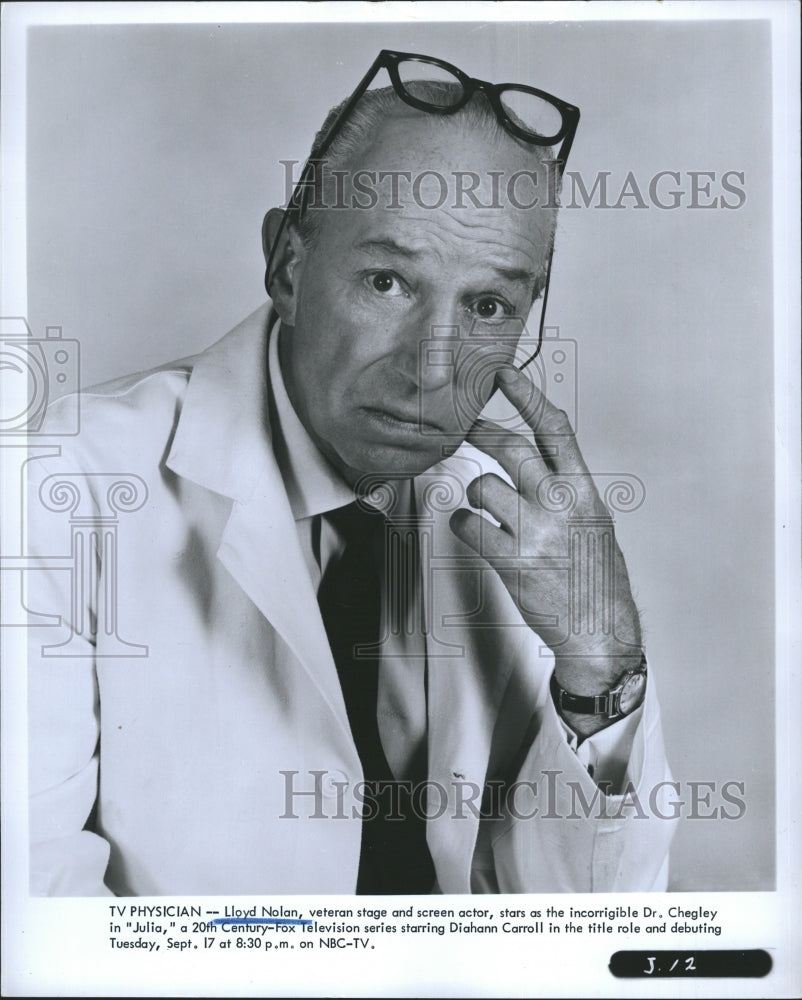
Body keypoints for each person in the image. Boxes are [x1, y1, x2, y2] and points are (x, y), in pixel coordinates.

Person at [26, 52, 676, 896]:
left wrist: (601, 662)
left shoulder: (521, 524)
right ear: (287, 267)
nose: (432, 368)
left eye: (488, 306)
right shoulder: (55, 486)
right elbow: (31, 913)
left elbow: (597, 929)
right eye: (388, 281)